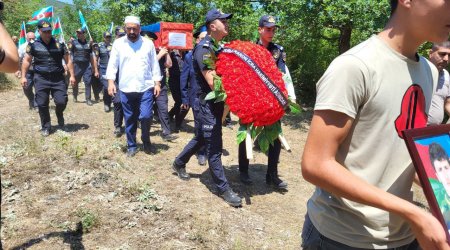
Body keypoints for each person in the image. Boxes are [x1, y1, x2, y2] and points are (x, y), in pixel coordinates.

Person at [301, 0, 450, 249]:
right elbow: (315, 165)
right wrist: (414, 213)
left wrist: (442, 185)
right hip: (343, 237)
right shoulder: (355, 66)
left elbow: (403, 155)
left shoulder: (429, 72)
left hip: (403, 234)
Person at [172, 8, 242, 207]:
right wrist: (237, 87)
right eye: (223, 21)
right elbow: (213, 82)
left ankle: (178, 162)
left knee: (202, 137)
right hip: (206, 104)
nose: (227, 23)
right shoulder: (204, 48)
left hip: (214, 103)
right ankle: (223, 188)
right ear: (212, 26)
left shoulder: (217, 47)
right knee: (214, 147)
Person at [237, 15, 289, 188]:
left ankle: (272, 175)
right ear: (259, 29)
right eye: (268, 29)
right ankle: (243, 171)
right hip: (251, 99)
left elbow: (281, 75)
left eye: (273, 29)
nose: (271, 32)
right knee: (246, 134)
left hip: (272, 101)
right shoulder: (249, 49)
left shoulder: (278, 51)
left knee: (275, 136)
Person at [106, 16, 162, 157]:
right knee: (130, 118)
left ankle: (145, 139)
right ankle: (131, 145)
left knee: (146, 116)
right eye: (129, 28)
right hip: (126, 87)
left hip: (145, 87)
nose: (131, 31)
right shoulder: (118, 44)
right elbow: (112, 64)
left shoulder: (148, 44)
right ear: (125, 28)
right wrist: (111, 82)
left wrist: (157, 83)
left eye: (134, 28)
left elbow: (154, 64)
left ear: (139, 29)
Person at [21, 20, 75, 136]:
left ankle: (59, 113)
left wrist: (72, 76)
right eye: (44, 31)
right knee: (42, 103)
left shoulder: (59, 44)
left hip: (58, 78)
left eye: (49, 31)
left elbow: (68, 60)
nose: (47, 34)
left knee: (62, 101)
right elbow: (26, 61)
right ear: (39, 31)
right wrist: (24, 76)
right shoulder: (33, 45)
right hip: (41, 78)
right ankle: (46, 126)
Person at [142, 30, 179, 142]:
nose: (150, 43)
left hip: (161, 85)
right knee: (145, 112)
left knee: (163, 108)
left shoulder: (158, 51)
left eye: (152, 41)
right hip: (146, 86)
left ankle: (166, 133)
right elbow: (146, 66)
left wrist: (166, 53)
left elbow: (169, 64)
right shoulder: (140, 52)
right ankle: (144, 132)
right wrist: (159, 55)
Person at [179, 26, 207, 165]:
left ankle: (206, 148)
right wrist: (184, 98)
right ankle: (201, 152)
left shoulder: (211, 53)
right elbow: (184, 77)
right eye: (202, 38)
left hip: (209, 96)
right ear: (197, 40)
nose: (204, 41)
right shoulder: (189, 56)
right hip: (195, 96)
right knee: (199, 125)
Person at [70, 28, 99, 104]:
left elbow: (91, 55)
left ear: (84, 34)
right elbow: (71, 54)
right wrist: (71, 64)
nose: (78, 34)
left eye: (80, 33)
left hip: (86, 66)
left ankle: (88, 99)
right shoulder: (74, 43)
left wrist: (94, 67)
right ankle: (75, 95)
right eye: (77, 33)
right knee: (75, 82)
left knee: (88, 82)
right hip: (77, 65)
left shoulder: (89, 44)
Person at [427, 41, 450, 125]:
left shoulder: (446, 75)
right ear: (430, 53)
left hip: (435, 132)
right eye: (442, 54)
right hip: (415, 130)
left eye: (449, 55)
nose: (446, 59)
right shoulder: (418, 70)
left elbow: (447, 103)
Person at [429, 142, 450, 231]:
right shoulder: (440, 203)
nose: (445, 174)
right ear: (437, 176)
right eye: (440, 170)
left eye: (446, 167)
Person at [17, 32, 37, 110]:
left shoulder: (38, 45)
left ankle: (37, 104)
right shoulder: (22, 47)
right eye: (30, 38)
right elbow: (19, 59)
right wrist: (18, 70)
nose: (31, 40)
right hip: (27, 70)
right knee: (26, 87)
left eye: (33, 38)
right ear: (26, 38)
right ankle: (32, 100)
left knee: (39, 88)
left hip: (37, 70)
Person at [112, 27, 126, 137]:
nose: (121, 37)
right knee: (118, 102)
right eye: (119, 35)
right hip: (116, 80)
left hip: (129, 81)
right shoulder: (113, 48)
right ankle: (117, 126)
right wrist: (110, 82)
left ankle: (132, 123)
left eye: (123, 35)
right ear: (116, 36)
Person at [167, 49, 184, 130]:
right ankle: (175, 119)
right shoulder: (172, 53)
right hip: (174, 80)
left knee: (182, 101)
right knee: (179, 101)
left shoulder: (187, 53)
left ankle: (171, 115)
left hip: (184, 81)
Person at [98, 31, 113, 112]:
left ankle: (110, 102)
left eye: (109, 37)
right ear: (104, 38)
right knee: (106, 87)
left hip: (112, 69)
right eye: (107, 37)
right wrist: (96, 70)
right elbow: (96, 57)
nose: (108, 38)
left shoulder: (114, 46)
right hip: (103, 69)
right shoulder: (99, 46)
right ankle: (106, 104)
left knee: (113, 86)